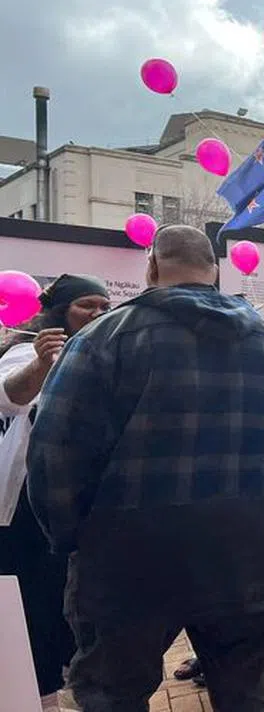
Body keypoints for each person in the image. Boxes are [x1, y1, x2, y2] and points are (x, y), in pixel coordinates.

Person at [26, 226, 264, 712]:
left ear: (151, 267)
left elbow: (54, 454)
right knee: (247, 700)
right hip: (252, 558)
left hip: (131, 562)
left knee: (111, 699)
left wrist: (72, 540)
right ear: (217, 272)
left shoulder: (103, 338)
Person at [0, 275, 110, 712]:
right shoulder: (27, 352)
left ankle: (64, 683)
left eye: (104, 305)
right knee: (36, 606)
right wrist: (43, 365)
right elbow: (12, 395)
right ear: (59, 311)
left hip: (80, 502)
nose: (99, 314)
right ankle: (40, 694)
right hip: (27, 506)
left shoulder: (99, 357)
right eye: (87, 305)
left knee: (72, 602)